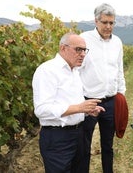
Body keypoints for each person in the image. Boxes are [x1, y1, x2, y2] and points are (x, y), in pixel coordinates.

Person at [32, 32, 105, 173]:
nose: (83, 54)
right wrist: (78, 108)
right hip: (57, 139)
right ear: (63, 48)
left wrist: (86, 111)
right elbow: (41, 110)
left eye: (84, 50)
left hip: (78, 135)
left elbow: (70, 104)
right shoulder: (47, 71)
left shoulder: (74, 71)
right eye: (78, 49)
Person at [79, 3, 126, 173]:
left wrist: (121, 94)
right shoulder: (84, 39)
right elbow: (76, 69)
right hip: (88, 100)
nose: (108, 26)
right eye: (105, 22)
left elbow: (119, 69)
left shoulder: (118, 42)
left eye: (111, 23)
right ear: (96, 21)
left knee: (108, 145)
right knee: (84, 144)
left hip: (111, 101)